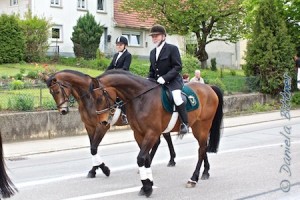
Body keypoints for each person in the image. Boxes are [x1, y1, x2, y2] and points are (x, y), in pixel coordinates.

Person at [148, 24, 189, 135]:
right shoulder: (152, 52)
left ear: (164, 37)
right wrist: (148, 81)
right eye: (152, 36)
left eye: (156, 36)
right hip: (158, 82)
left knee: (176, 98)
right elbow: (152, 70)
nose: (154, 38)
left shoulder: (172, 49)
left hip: (173, 82)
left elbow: (177, 67)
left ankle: (185, 123)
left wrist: (165, 78)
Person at [106, 36, 132, 124]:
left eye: (120, 45)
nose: (118, 46)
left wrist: (113, 74)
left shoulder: (128, 55)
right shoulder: (116, 55)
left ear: (125, 45)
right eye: (117, 45)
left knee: (121, 96)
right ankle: (110, 112)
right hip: (114, 79)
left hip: (123, 79)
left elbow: (125, 68)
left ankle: (125, 115)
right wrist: (103, 75)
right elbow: (110, 66)